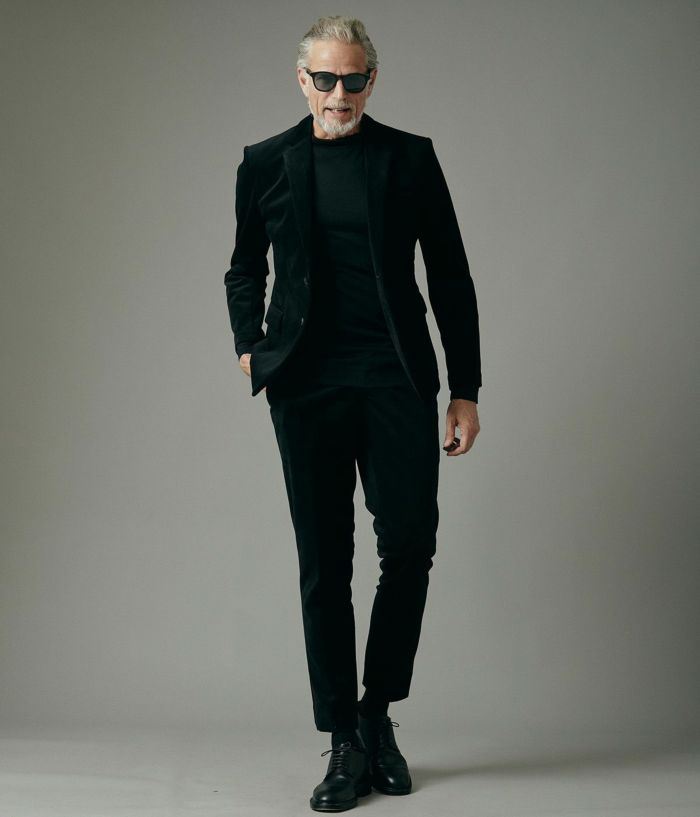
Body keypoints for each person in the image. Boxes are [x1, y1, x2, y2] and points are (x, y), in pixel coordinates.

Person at [224, 15, 482, 812]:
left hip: (396, 379)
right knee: (324, 559)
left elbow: (450, 274)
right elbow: (243, 265)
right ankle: (342, 737)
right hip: (306, 387)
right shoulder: (266, 161)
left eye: (355, 78)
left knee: (409, 545)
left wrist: (466, 388)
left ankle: (377, 714)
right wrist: (248, 344)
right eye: (326, 79)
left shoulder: (410, 158)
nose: (340, 93)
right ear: (303, 81)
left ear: (373, 80)